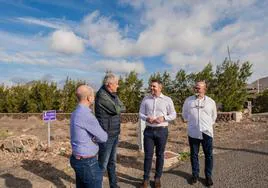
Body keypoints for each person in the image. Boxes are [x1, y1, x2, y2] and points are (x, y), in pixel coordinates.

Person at [139, 79, 176, 188]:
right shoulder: (146, 99)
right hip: (149, 131)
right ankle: (145, 180)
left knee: (160, 155)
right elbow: (140, 113)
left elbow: (173, 114)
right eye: (151, 86)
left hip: (162, 131)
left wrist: (164, 118)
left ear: (160, 87)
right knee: (148, 156)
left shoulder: (167, 100)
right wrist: (146, 118)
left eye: (154, 86)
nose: (151, 88)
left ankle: (157, 178)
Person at [70, 85, 108, 188]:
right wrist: (94, 138)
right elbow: (103, 137)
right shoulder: (87, 115)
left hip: (77, 158)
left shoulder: (75, 112)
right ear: (89, 98)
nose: (94, 98)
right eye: (93, 95)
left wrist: (92, 137)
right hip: (87, 163)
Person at [182, 81, 217, 186]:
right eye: (195, 88)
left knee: (208, 155)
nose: (196, 90)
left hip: (207, 133)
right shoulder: (188, 101)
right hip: (193, 132)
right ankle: (195, 175)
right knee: (194, 155)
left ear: (204, 89)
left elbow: (214, 116)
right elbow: (184, 114)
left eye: (199, 88)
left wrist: (206, 125)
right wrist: (193, 123)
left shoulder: (211, 102)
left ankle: (208, 176)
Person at [95, 73, 125, 188]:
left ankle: (113, 185)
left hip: (114, 133)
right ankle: (97, 185)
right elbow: (117, 109)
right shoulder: (102, 95)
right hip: (106, 135)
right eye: (116, 84)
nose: (118, 86)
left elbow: (123, 107)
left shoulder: (112, 94)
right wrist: (117, 107)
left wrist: (118, 107)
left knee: (112, 162)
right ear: (109, 84)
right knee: (102, 164)